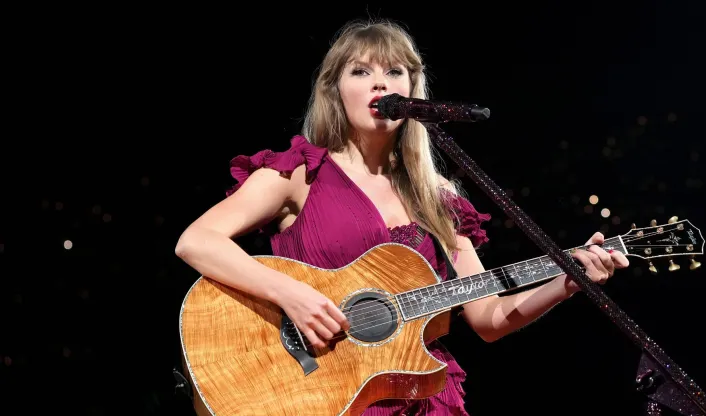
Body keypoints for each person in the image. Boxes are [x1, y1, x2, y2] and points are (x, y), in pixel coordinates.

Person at [175, 18, 629, 416]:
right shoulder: (301, 173)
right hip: (317, 393)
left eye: (395, 72)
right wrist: (293, 295)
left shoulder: (439, 197)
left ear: (412, 91)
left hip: (421, 398)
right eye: (361, 71)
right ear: (336, 88)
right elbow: (197, 241)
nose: (381, 83)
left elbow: (489, 318)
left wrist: (568, 280)